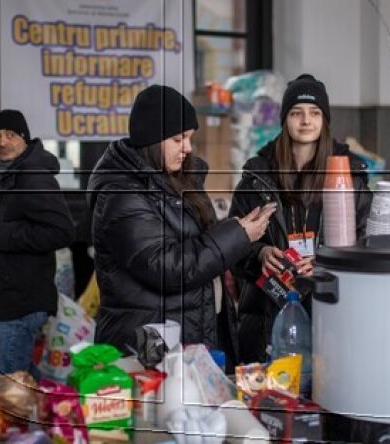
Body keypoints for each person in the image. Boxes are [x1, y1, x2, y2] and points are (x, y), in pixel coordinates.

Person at [87, 85, 275, 355]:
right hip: (148, 345)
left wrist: (242, 234)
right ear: (152, 140)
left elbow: (196, 243)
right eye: (178, 139)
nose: (187, 148)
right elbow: (166, 266)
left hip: (191, 330)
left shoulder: (180, 179)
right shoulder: (123, 195)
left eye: (189, 138)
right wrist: (237, 234)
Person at [229, 73, 373, 363]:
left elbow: (367, 241)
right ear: (284, 119)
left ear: (324, 120)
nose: (306, 121)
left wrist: (325, 260)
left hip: (331, 308)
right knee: (272, 398)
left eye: (314, 113)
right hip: (267, 313)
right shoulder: (258, 175)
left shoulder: (348, 174)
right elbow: (232, 242)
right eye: (296, 113)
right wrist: (260, 252)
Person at [0, 109, 76, 376]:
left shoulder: (33, 177)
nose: (3, 142)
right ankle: (55, 411)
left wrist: (8, 235)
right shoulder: (8, 176)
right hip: (10, 297)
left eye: (11, 135)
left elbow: (63, 231)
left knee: (12, 383)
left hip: (21, 301)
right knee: (23, 377)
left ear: (24, 139)